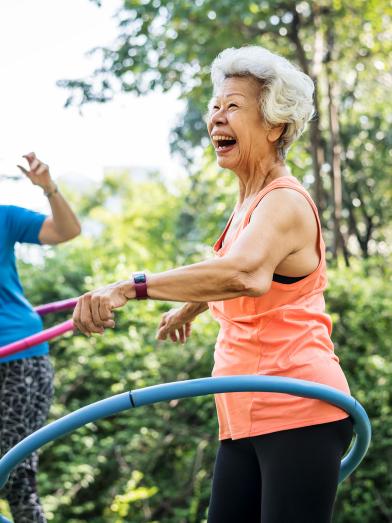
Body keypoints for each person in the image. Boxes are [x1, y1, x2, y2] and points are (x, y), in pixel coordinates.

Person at [72, 46, 353, 523]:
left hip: (298, 408)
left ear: (275, 125)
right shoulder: (249, 205)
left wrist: (129, 286)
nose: (216, 119)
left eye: (233, 107)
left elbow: (244, 273)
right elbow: (229, 267)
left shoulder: (283, 201)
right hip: (242, 414)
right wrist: (190, 307)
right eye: (215, 107)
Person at [0, 153, 81, 523]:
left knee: (15, 473)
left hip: (21, 359)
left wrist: (48, 188)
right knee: (17, 481)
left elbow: (66, 231)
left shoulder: (4, 217)